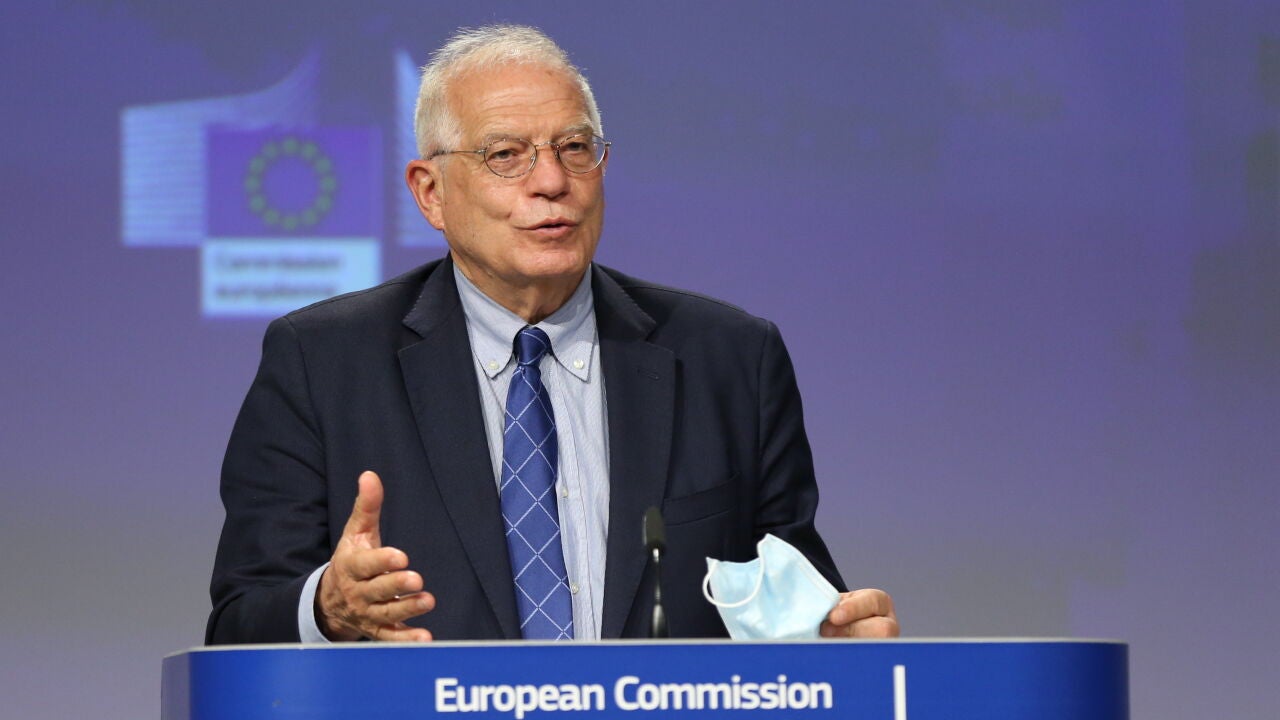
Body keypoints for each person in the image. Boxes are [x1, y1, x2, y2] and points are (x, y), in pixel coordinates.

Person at [207, 24, 898, 644]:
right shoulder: (321, 363)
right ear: (430, 192)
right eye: (506, 154)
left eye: (574, 148)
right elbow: (240, 620)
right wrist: (327, 609)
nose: (552, 181)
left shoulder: (731, 359)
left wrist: (835, 644)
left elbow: (797, 609)